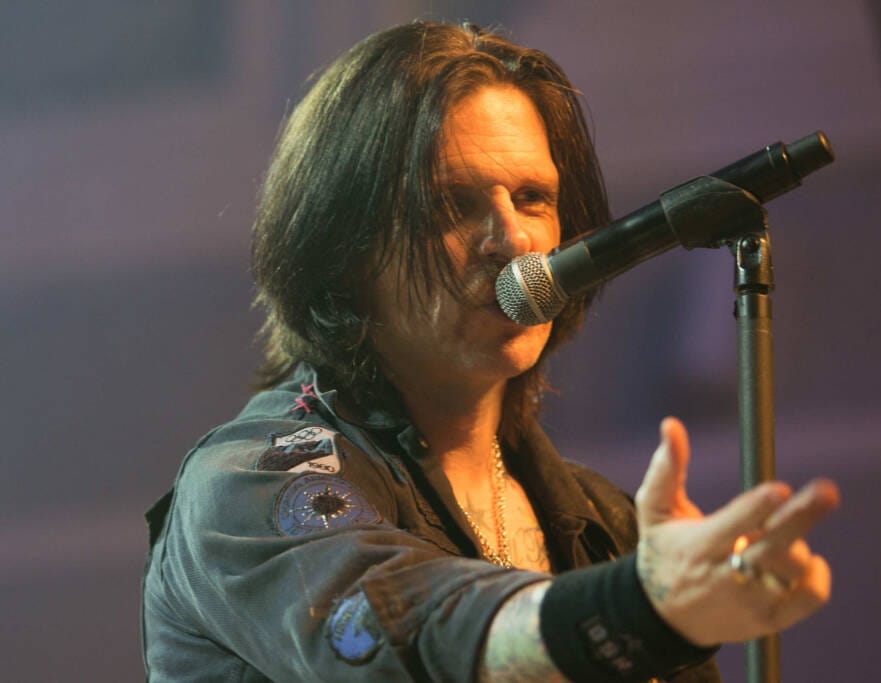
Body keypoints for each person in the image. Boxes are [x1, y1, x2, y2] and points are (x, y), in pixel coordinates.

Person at [142, 21, 839, 682]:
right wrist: (635, 609)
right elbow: (393, 631)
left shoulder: (608, 524)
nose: (513, 240)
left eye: (533, 197)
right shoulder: (249, 484)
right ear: (344, 249)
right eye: (452, 203)